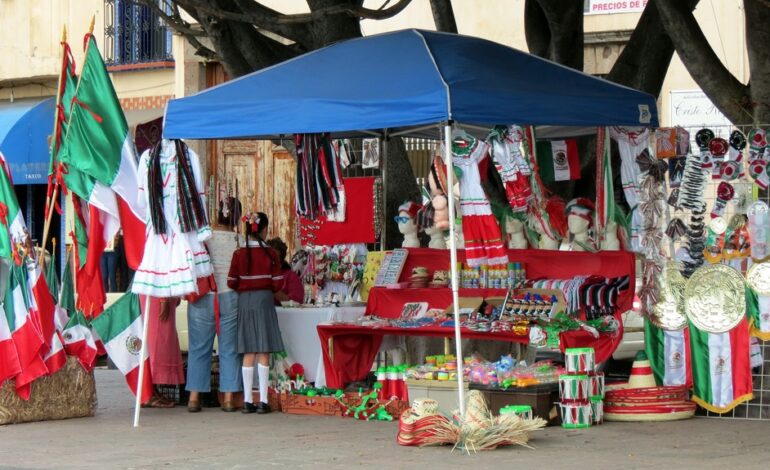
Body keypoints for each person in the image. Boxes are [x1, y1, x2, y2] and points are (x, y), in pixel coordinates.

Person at [228, 212, 285, 414]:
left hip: (244, 301)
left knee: (248, 350)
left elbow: (231, 282)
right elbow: (278, 282)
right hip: (263, 301)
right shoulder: (270, 254)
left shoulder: (238, 254)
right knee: (263, 349)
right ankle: (262, 400)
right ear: (264, 230)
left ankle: (246, 400)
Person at [186, 229, 243, 412]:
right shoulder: (239, 240)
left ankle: (194, 398)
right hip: (230, 296)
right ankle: (227, 398)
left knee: (199, 347)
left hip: (203, 295)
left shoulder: (202, 237)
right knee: (229, 348)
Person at [266, 237, 304, 305]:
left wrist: (273, 291)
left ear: (280, 260)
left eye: (274, 258)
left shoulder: (290, 276)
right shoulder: (259, 275)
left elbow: (296, 302)